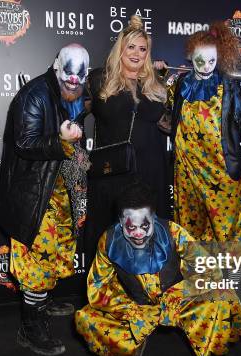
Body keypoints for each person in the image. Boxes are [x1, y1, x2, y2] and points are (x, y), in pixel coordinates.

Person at [75, 182, 241, 356]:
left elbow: (211, 271)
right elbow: (98, 286)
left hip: (179, 302)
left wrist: (179, 294)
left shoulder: (174, 232)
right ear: (121, 222)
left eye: (145, 225)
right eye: (130, 227)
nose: (138, 233)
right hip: (138, 308)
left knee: (221, 297)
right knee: (88, 319)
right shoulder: (108, 241)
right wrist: (130, 310)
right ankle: (136, 338)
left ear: (154, 219)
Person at [0, 43, 91, 356]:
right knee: (35, 261)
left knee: (54, 254)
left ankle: (43, 302)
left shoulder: (74, 94)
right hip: (35, 193)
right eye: (67, 78)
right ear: (56, 67)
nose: (73, 85)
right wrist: (59, 140)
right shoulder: (34, 96)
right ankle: (30, 326)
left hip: (60, 189)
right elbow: (25, 143)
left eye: (79, 78)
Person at [166, 21, 241, 243]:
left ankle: (234, 274)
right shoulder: (179, 85)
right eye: (200, 61)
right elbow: (165, 114)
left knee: (230, 230)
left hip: (221, 172)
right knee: (190, 231)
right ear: (189, 57)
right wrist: (158, 77)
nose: (206, 67)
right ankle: (199, 273)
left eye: (212, 61)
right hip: (187, 175)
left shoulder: (228, 87)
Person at [83, 15, 171, 270]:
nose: (137, 53)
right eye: (131, 46)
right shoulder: (99, 79)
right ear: (120, 48)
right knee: (108, 235)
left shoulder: (154, 83)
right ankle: (106, 293)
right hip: (113, 174)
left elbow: (169, 125)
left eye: (142, 49)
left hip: (150, 172)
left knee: (147, 236)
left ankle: (147, 290)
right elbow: (73, 113)